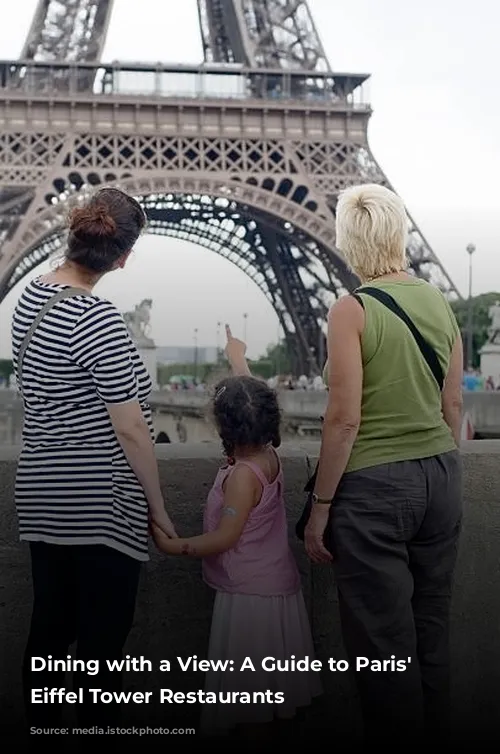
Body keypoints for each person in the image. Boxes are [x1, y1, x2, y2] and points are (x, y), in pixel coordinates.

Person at [11, 187, 177, 751]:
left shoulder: (30, 300)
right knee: (102, 654)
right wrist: (158, 510)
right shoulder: (100, 318)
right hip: (100, 504)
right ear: (123, 256)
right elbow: (131, 429)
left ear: (72, 232)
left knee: (50, 635)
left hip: (42, 493)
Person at [304, 184, 463, 748]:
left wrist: (320, 509)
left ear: (350, 242)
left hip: (374, 490)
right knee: (432, 629)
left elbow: (343, 420)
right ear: (399, 232)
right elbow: (453, 406)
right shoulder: (439, 301)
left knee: (382, 647)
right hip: (440, 476)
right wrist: (438, 469)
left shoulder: (352, 309)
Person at [152, 325, 321, 740]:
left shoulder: (242, 477)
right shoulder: (269, 455)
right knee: (270, 696)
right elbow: (255, 400)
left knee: (246, 703)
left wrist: (176, 546)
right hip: (275, 586)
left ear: (223, 427)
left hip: (249, 597)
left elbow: (226, 537)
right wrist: (238, 360)